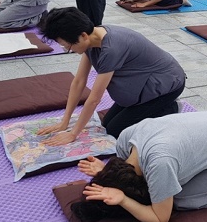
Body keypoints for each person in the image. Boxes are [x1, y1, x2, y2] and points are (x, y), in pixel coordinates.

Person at [72, 111, 207, 222]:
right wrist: (106, 172)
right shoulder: (124, 142)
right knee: (168, 190)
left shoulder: (159, 165)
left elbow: (160, 220)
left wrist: (124, 201)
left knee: (179, 200)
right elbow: (126, 173)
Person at [37, 7, 186, 144]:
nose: (68, 49)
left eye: (68, 46)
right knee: (106, 124)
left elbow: (94, 99)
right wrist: (65, 121)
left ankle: (170, 108)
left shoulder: (111, 49)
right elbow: (79, 82)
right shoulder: (92, 39)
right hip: (141, 83)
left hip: (167, 85)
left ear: (82, 36)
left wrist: (73, 134)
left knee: (115, 131)